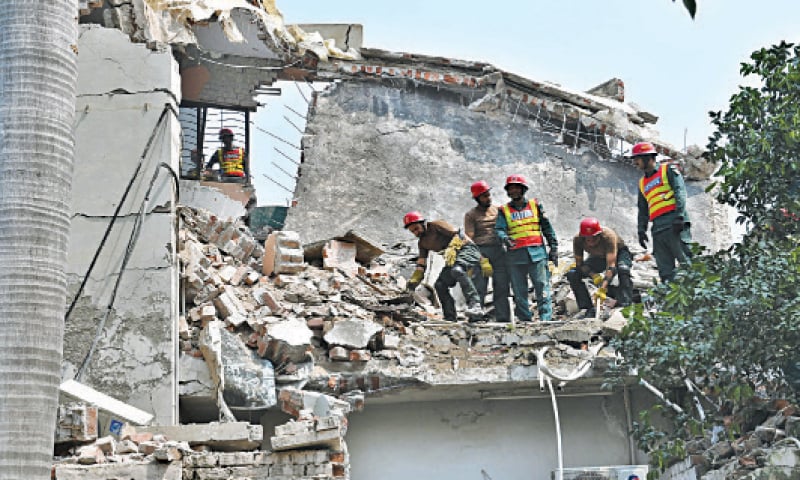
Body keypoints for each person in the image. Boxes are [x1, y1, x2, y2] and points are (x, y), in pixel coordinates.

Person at [495, 174, 558, 322]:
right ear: (508, 192)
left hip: (537, 254)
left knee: (542, 288)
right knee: (519, 291)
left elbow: (547, 228)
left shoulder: (535, 206)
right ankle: (525, 321)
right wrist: (504, 238)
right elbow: (499, 229)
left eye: (517, 187)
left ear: (523, 189)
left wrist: (553, 248)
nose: (514, 191)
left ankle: (545, 320)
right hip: (515, 257)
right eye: (511, 188)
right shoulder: (503, 210)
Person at [403, 211, 483, 322]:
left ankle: (475, 305)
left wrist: (453, 246)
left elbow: (458, 234)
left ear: (422, 223)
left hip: (467, 249)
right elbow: (421, 263)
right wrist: (414, 280)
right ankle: (450, 317)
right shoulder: (422, 243)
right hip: (454, 257)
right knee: (440, 285)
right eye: (413, 231)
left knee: (457, 270)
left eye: (416, 228)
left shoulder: (436, 225)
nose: (416, 232)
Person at [632, 141, 691, 282]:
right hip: (658, 228)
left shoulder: (668, 170)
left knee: (687, 263)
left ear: (648, 158)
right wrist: (641, 230)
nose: (635, 162)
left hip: (674, 222)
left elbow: (680, 192)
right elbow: (643, 209)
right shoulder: (642, 183)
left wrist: (680, 216)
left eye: (637, 159)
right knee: (665, 271)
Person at [567, 217, 633, 318]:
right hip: (597, 257)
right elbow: (579, 264)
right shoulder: (578, 240)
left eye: (594, 238)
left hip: (618, 253)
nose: (591, 242)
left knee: (623, 269)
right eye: (588, 240)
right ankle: (587, 308)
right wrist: (593, 275)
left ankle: (625, 304)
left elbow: (611, 266)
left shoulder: (608, 236)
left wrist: (603, 288)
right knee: (573, 274)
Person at [464, 181, 511, 322]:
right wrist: (480, 259)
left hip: (499, 251)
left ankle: (503, 319)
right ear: (477, 198)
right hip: (481, 252)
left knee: (502, 285)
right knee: (479, 287)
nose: (488, 198)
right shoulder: (471, 215)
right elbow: (469, 238)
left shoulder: (499, 210)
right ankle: (475, 318)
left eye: (488, 194)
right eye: (484, 196)